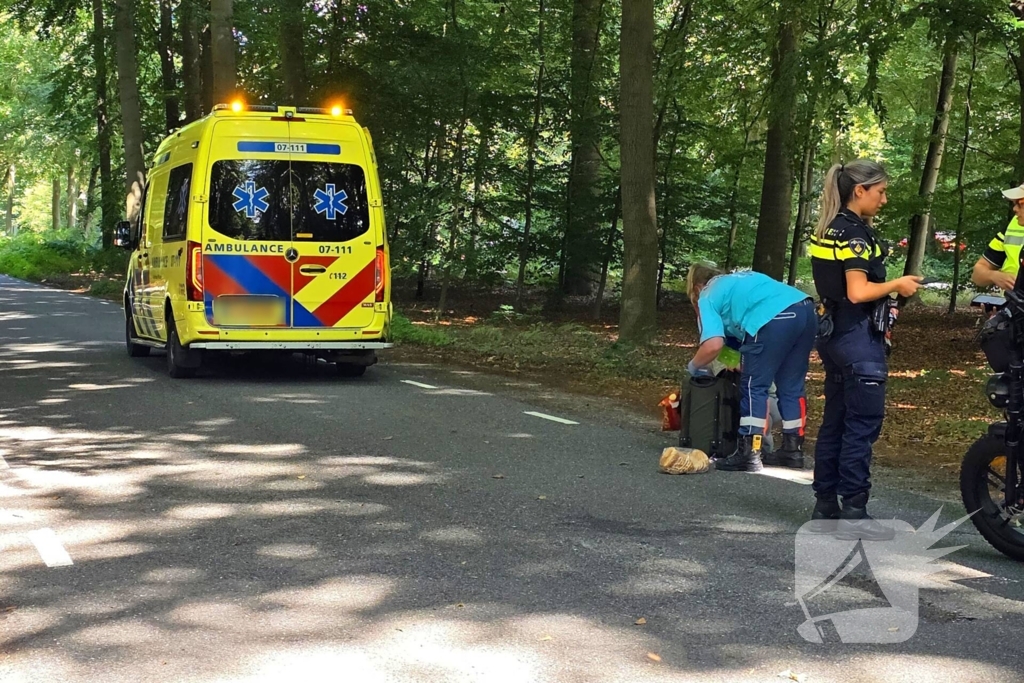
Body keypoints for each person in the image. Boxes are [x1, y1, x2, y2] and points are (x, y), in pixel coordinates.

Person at [809, 159, 922, 540]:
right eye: (881, 192)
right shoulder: (855, 236)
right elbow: (858, 292)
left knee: (836, 420)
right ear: (860, 190)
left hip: (831, 333)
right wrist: (896, 285)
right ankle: (854, 511)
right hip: (857, 337)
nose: (884, 200)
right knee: (861, 425)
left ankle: (825, 505)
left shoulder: (827, 230)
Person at [686, 265, 818, 473]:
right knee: (791, 386)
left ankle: (749, 453)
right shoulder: (741, 280)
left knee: (753, 385)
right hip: (806, 310)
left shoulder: (708, 294)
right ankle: (793, 451)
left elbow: (713, 345)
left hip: (771, 317)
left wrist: (692, 367)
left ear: (696, 287)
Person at [971, 183, 1024, 292]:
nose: (1014, 208)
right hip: (1015, 304)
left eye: (1020, 203)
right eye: (1014, 203)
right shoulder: (1012, 228)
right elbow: (977, 274)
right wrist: (994, 276)